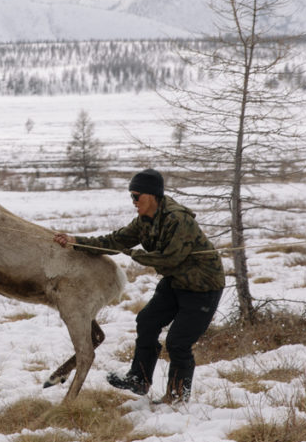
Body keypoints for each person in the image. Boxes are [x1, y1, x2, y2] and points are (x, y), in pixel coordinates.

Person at [53, 168, 225, 403]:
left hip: (203, 286)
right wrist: (75, 242)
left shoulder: (178, 219)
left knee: (177, 342)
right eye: (131, 196)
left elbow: (170, 259)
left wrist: (135, 254)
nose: (133, 201)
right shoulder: (144, 221)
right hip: (176, 281)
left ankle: (176, 397)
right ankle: (139, 379)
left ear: (152, 195)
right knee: (147, 320)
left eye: (137, 196)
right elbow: (114, 241)